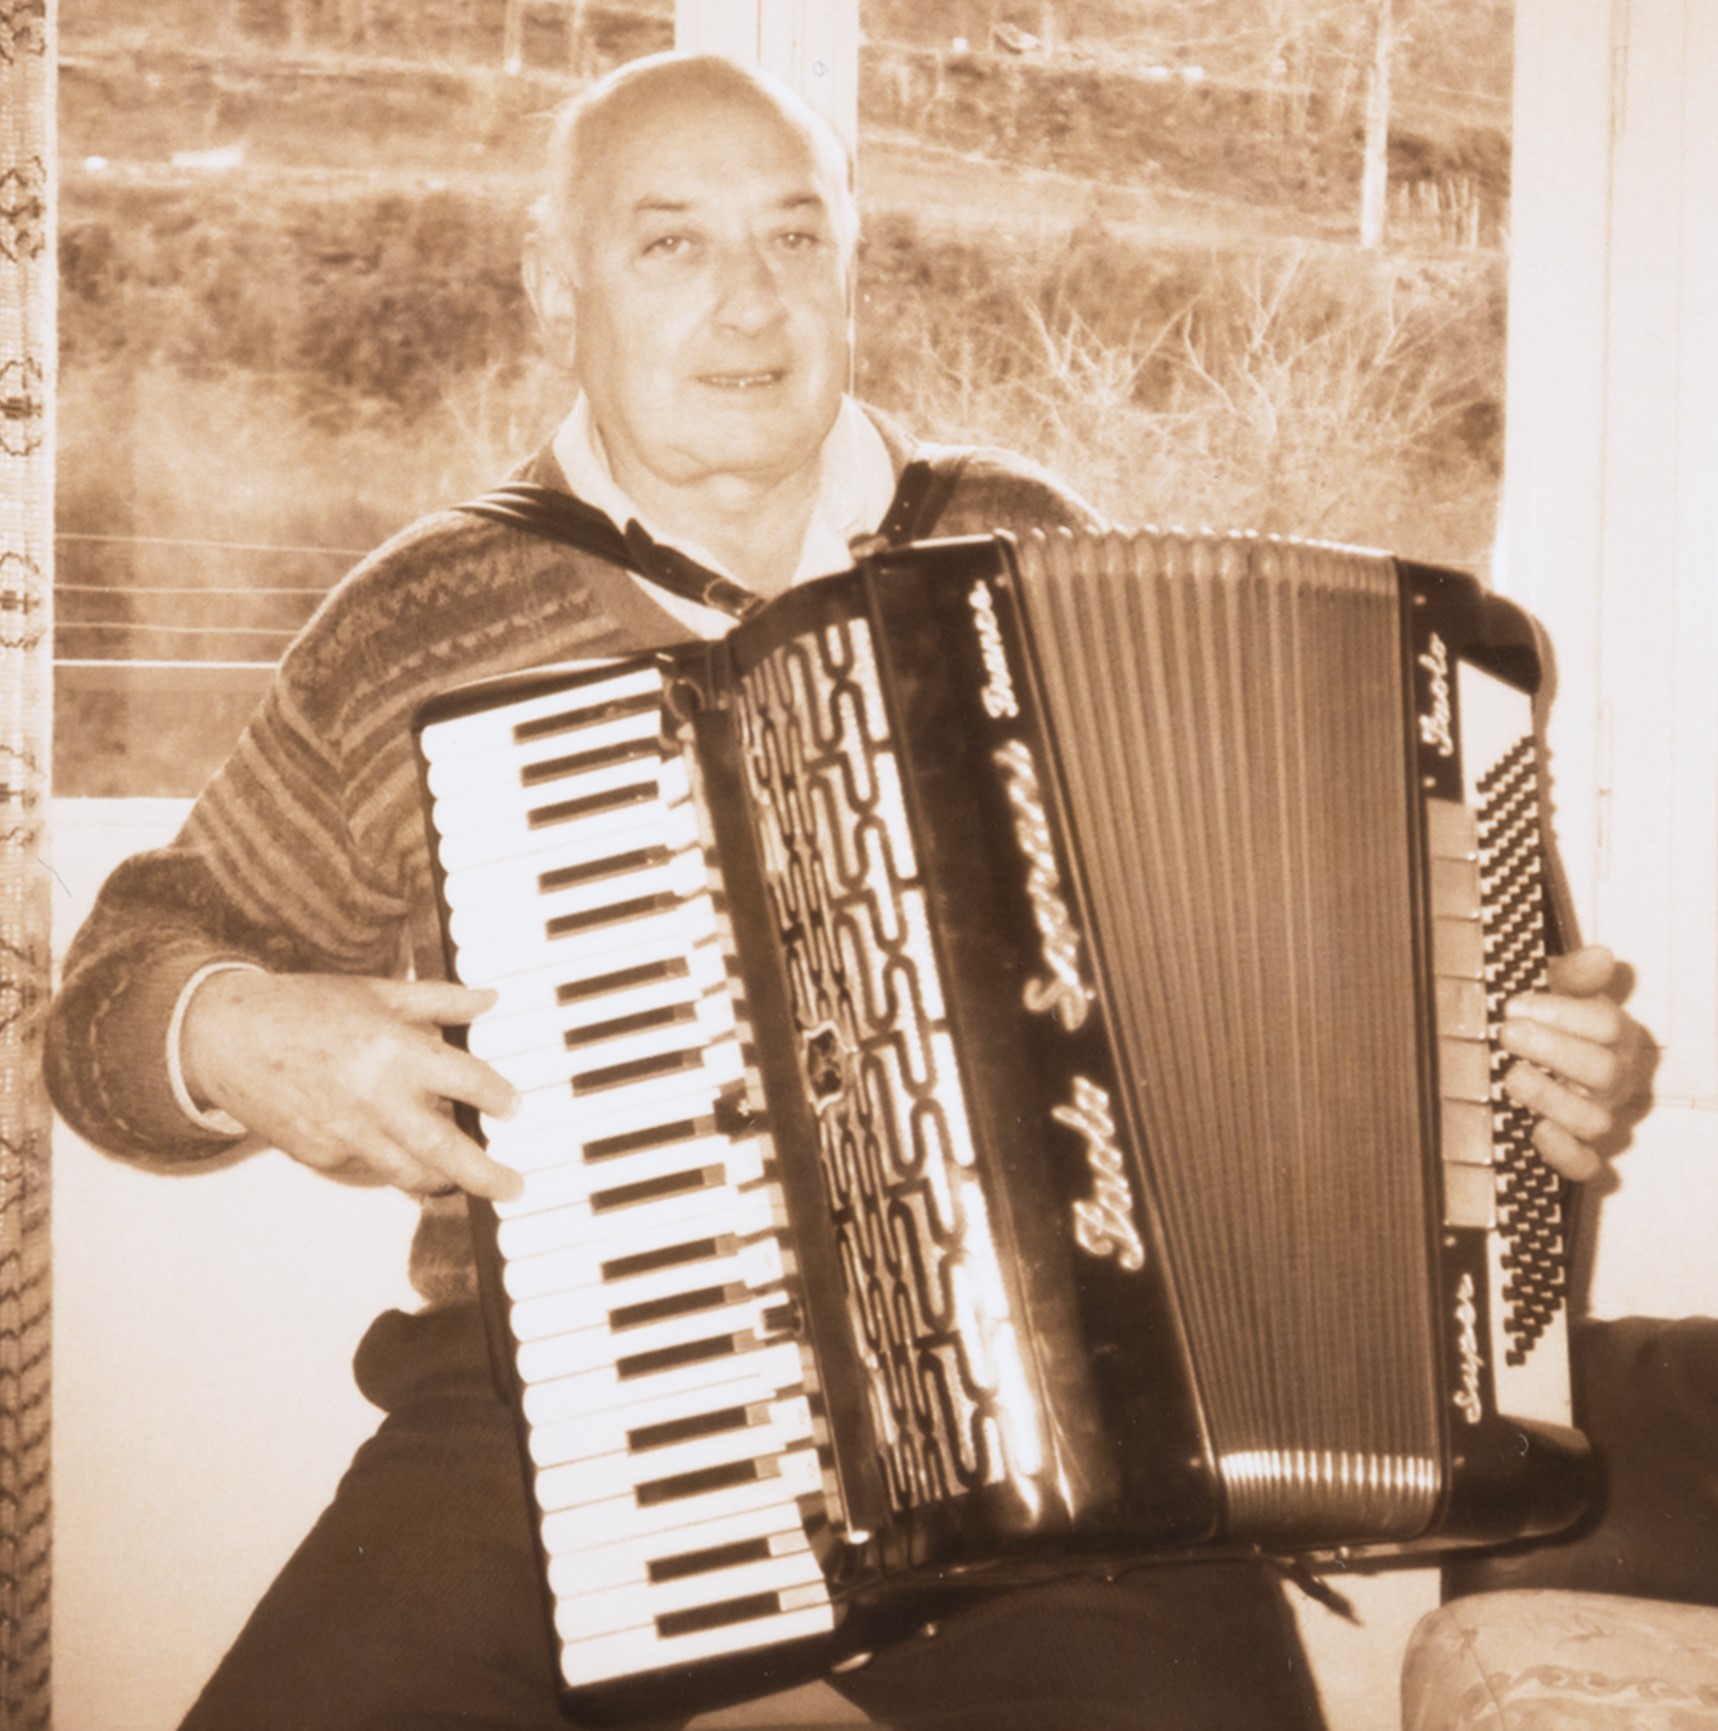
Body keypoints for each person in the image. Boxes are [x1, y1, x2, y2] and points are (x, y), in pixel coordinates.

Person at [46, 51, 1646, 1731]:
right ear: (553, 285)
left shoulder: (1025, 546)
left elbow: (1255, 969)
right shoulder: (426, 615)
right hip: (575, 1414)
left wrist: (1509, 1087)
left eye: (795, 240)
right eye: (671, 245)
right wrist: (228, 1031)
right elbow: (109, 1001)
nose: (749, 303)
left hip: (1059, 1440)